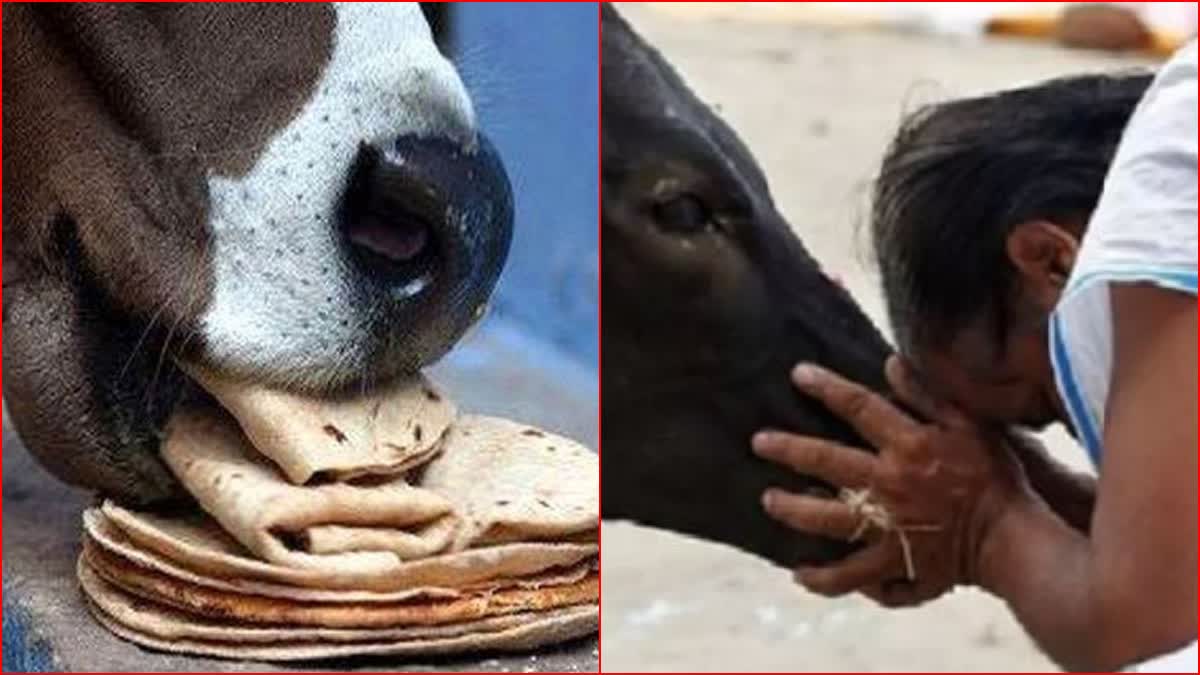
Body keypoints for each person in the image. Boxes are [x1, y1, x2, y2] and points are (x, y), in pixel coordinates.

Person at [752, 42, 1197, 672]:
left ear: (1051, 260)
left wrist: (985, 524)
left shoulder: (1170, 171)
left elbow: (1155, 635)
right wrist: (1050, 497)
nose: (1089, 431)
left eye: (1047, 401)